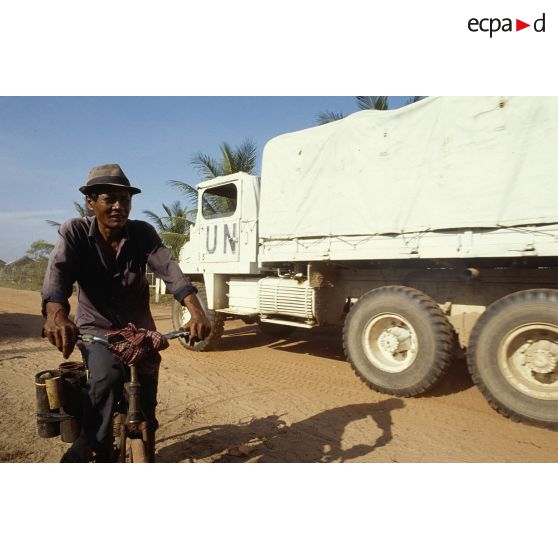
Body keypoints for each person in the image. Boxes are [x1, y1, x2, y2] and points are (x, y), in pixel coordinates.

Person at [41, 163, 210, 462]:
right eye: (110, 199)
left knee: (147, 386)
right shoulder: (75, 232)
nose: (120, 206)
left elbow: (171, 272)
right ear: (91, 202)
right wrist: (56, 316)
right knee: (105, 377)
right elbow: (58, 276)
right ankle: (91, 440)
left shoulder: (142, 233)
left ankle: (148, 438)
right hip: (96, 330)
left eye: (126, 199)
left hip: (139, 330)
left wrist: (195, 311)